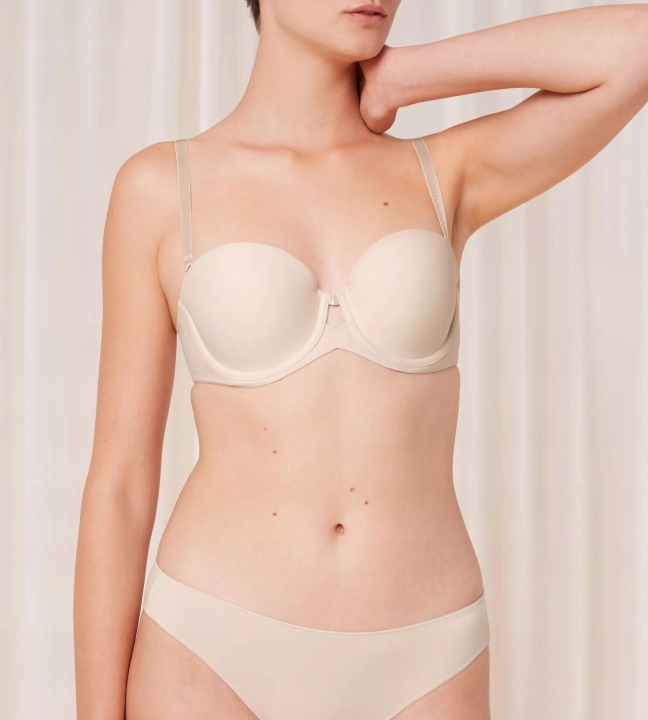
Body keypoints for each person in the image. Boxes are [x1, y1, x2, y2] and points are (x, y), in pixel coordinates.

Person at [74, 2, 648, 718]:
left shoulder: (444, 173)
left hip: (428, 652)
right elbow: (121, 482)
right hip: (210, 643)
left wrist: (407, 74)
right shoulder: (164, 187)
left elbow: (636, 48)